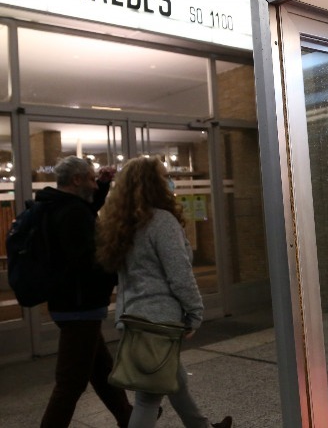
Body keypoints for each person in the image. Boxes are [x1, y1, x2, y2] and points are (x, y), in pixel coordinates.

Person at [95, 156, 232, 428]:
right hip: (157, 321)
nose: (170, 181)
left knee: (173, 380)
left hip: (132, 316)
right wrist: (194, 313)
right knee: (148, 398)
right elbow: (179, 275)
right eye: (165, 176)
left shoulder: (120, 223)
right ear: (155, 184)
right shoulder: (161, 221)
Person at [39, 156, 133, 427]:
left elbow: (86, 212)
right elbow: (87, 262)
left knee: (101, 368)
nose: (95, 186)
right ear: (77, 180)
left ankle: (128, 417)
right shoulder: (73, 213)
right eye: (92, 180)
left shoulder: (56, 205)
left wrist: (103, 186)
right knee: (70, 384)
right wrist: (117, 274)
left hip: (69, 303)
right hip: (79, 306)